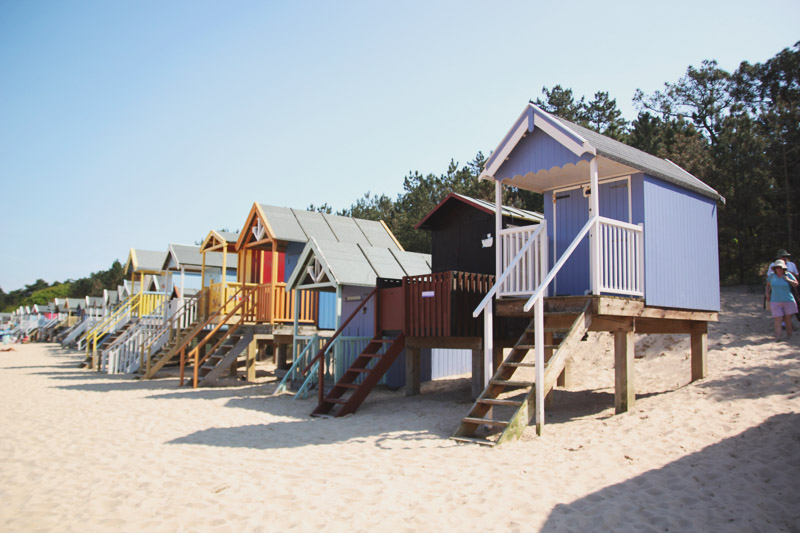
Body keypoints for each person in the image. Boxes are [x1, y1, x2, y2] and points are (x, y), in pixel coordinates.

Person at [766, 259, 799, 339]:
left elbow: (796, 284)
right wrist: (767, 294)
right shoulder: (772, 276)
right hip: (775, 300)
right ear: (775, 268)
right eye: (777, 267)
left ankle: (789, 335)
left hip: (788, 300)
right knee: (778, 319)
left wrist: (788, 280)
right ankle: (778, 336)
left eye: (780, 267)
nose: (779, 269)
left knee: (788, 319)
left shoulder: (788, 275)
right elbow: (768, 286)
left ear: (784, 268)